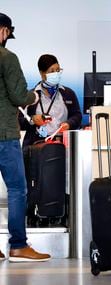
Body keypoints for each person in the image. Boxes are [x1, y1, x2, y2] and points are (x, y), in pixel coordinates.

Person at [0, 12, 51, 262]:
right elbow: (20, 97)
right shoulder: (7, 58)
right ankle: (18, 245)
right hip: (4, 135)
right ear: (3, 31)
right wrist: (35, 97)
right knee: (18, 189)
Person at [19, 54, 82, 147]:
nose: (56, 74)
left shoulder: (68, 93)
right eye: (52, 71)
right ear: (42, 73)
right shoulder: (30, 96)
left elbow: (77, 115)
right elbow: (18, 121)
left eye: (58, 70)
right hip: (36, 145)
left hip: (62, 144)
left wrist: (69, 124)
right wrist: (33, 120)